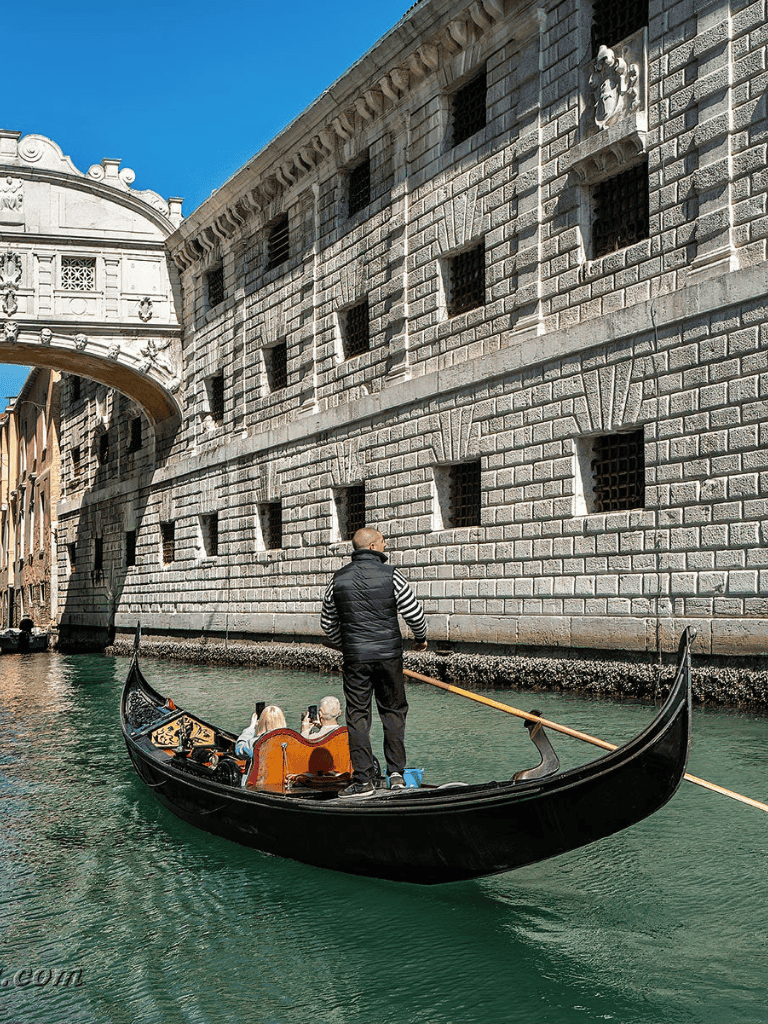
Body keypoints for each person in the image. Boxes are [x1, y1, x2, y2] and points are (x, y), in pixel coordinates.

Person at [320, 526, 427, 799]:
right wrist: (420, 639)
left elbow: (327, 624)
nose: (384, 545)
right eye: (382, 542)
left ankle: (363, 780)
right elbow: (414, 612)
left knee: (358, 716)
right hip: (389, 656)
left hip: (355, 658)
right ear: (372, 547)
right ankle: (396, 775)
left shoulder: (338, 579)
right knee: (393, 712)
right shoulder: (392, 576)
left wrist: (346, 644)